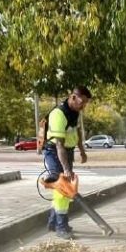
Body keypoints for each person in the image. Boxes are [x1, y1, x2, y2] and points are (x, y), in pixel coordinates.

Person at [41, 86, 91, 239]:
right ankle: (61, 226)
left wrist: (82, 151)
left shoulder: (74, 112)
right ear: (73, 97)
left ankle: (52, 223)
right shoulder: (59, 114)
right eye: (82, 102)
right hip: (54, 152)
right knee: (64, 188)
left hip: (66, 151)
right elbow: (59, 145)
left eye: (86, 103)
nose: (83, 106)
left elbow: (76, 132)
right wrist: (66, 169)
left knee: (60, 189)